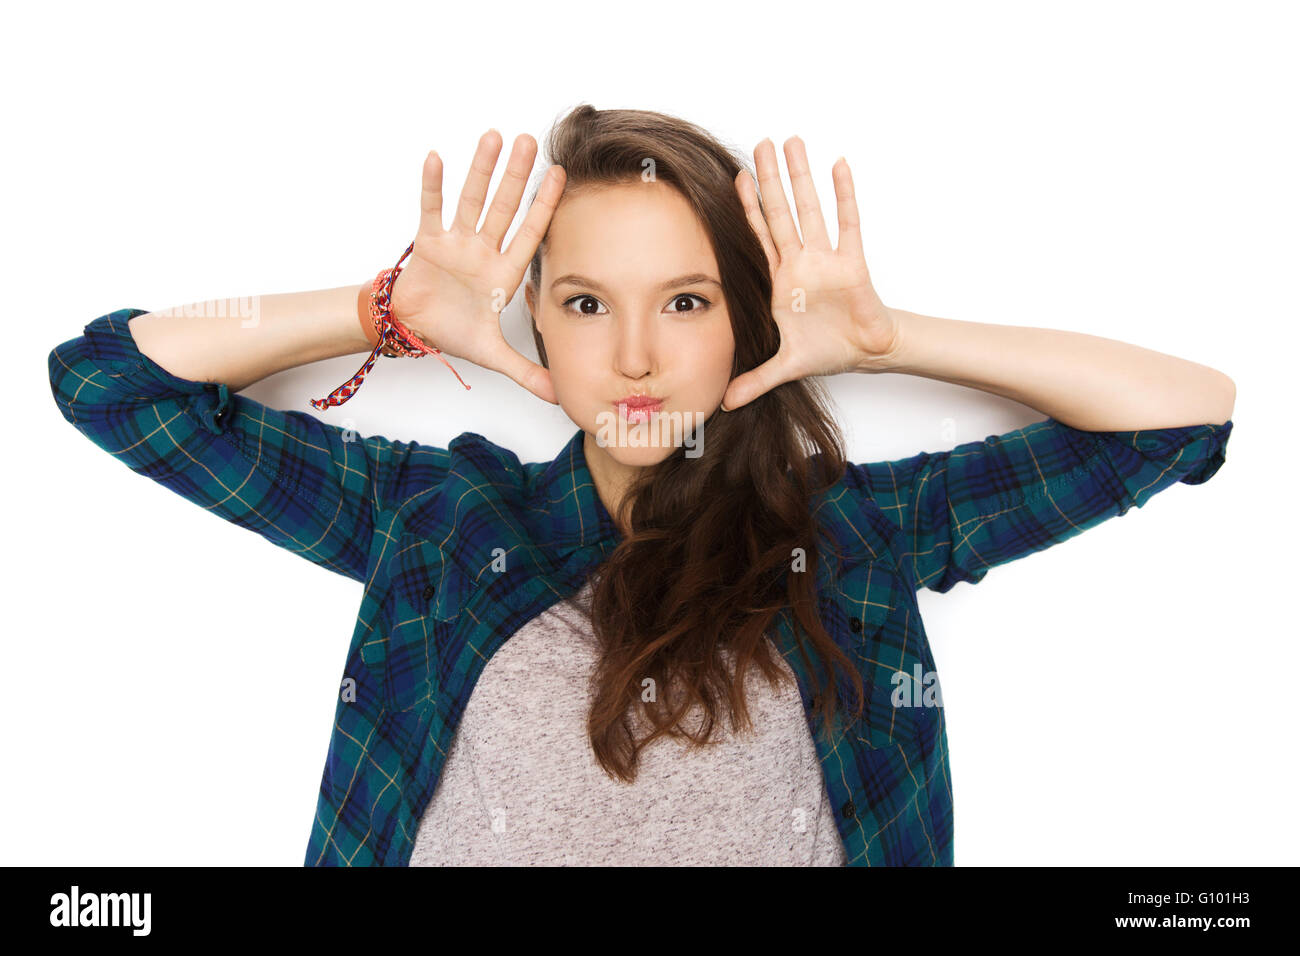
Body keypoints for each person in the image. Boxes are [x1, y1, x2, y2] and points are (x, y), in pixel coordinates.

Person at [47, 104, 1235, 866]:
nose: (631, 356)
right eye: (584, 304)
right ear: (537, 328)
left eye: (684, 301)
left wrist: (888, 335)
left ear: (743, 323)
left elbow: (1180, 416)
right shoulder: (444, 519)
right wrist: (386, 311)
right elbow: (108, 383)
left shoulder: (855, 533)